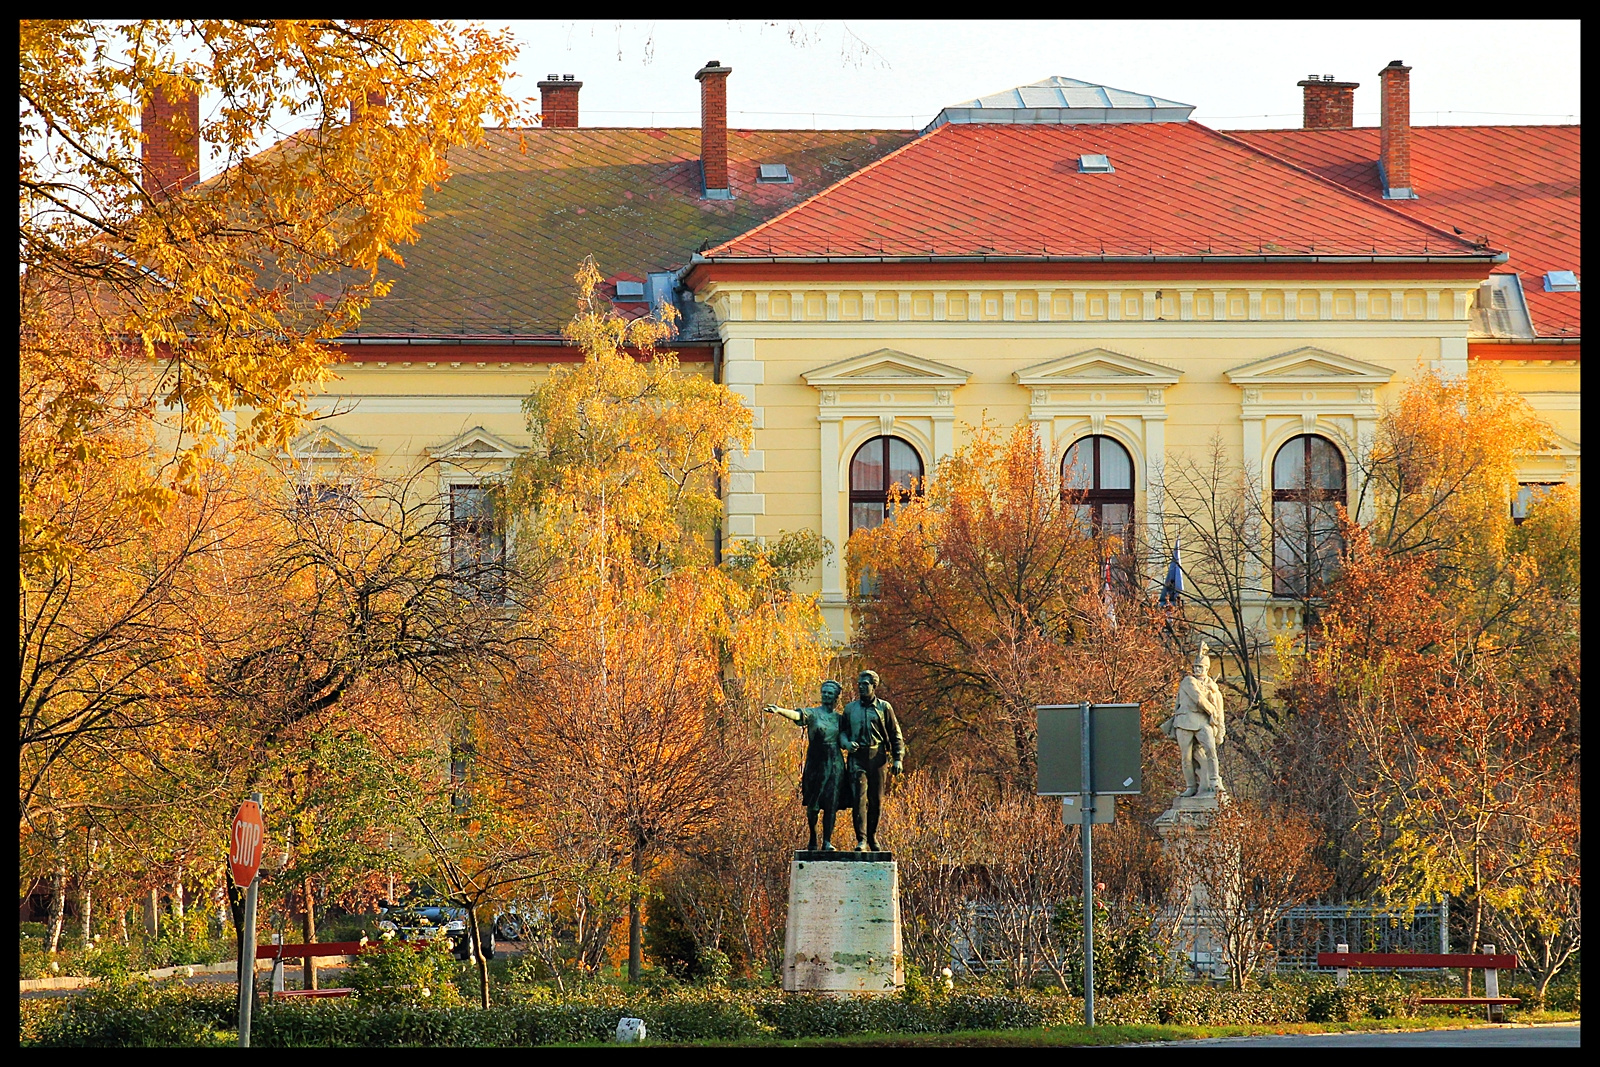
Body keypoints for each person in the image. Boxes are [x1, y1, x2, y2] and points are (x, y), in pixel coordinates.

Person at [763, 680, 851, 851]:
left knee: (832, 802)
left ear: (836, 697)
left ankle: (827, 841)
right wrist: (780, 710)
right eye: (824, 692)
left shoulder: (839, 719)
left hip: (835, 762)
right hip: (816, 762)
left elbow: (842, 738)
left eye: (829, 693)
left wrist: (849, 745)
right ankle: (813, 836)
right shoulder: (813, 713)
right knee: (814, 803)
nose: (826, 695)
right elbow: (797, 715)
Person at [839, 670, 906, 852]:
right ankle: (861, 839)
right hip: (857, 757)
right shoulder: (850, 709)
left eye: (865, 684)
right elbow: (842, 732)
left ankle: (873, 836)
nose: (861, 686)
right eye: (859, 683)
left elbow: (895, 734)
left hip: (877, 757)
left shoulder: (884, 708)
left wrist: (898, 758)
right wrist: (846, 743)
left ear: (874, 686)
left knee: (876, 800)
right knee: (858, 799)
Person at [1159, 641, 1227, 798]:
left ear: (1207, 669)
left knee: (1211, 751)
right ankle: (1191, 786)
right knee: (1186, 757)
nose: (1197, 670)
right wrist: (1212, 713)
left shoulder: (1213, 687)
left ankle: (1214, 780)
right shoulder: (1188, 681)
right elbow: (1198, 699)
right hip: (1185, 722)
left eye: (1200, 667)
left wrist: (1220, 728)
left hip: (1203, 722)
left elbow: (1219, 708)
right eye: (1196, 667)